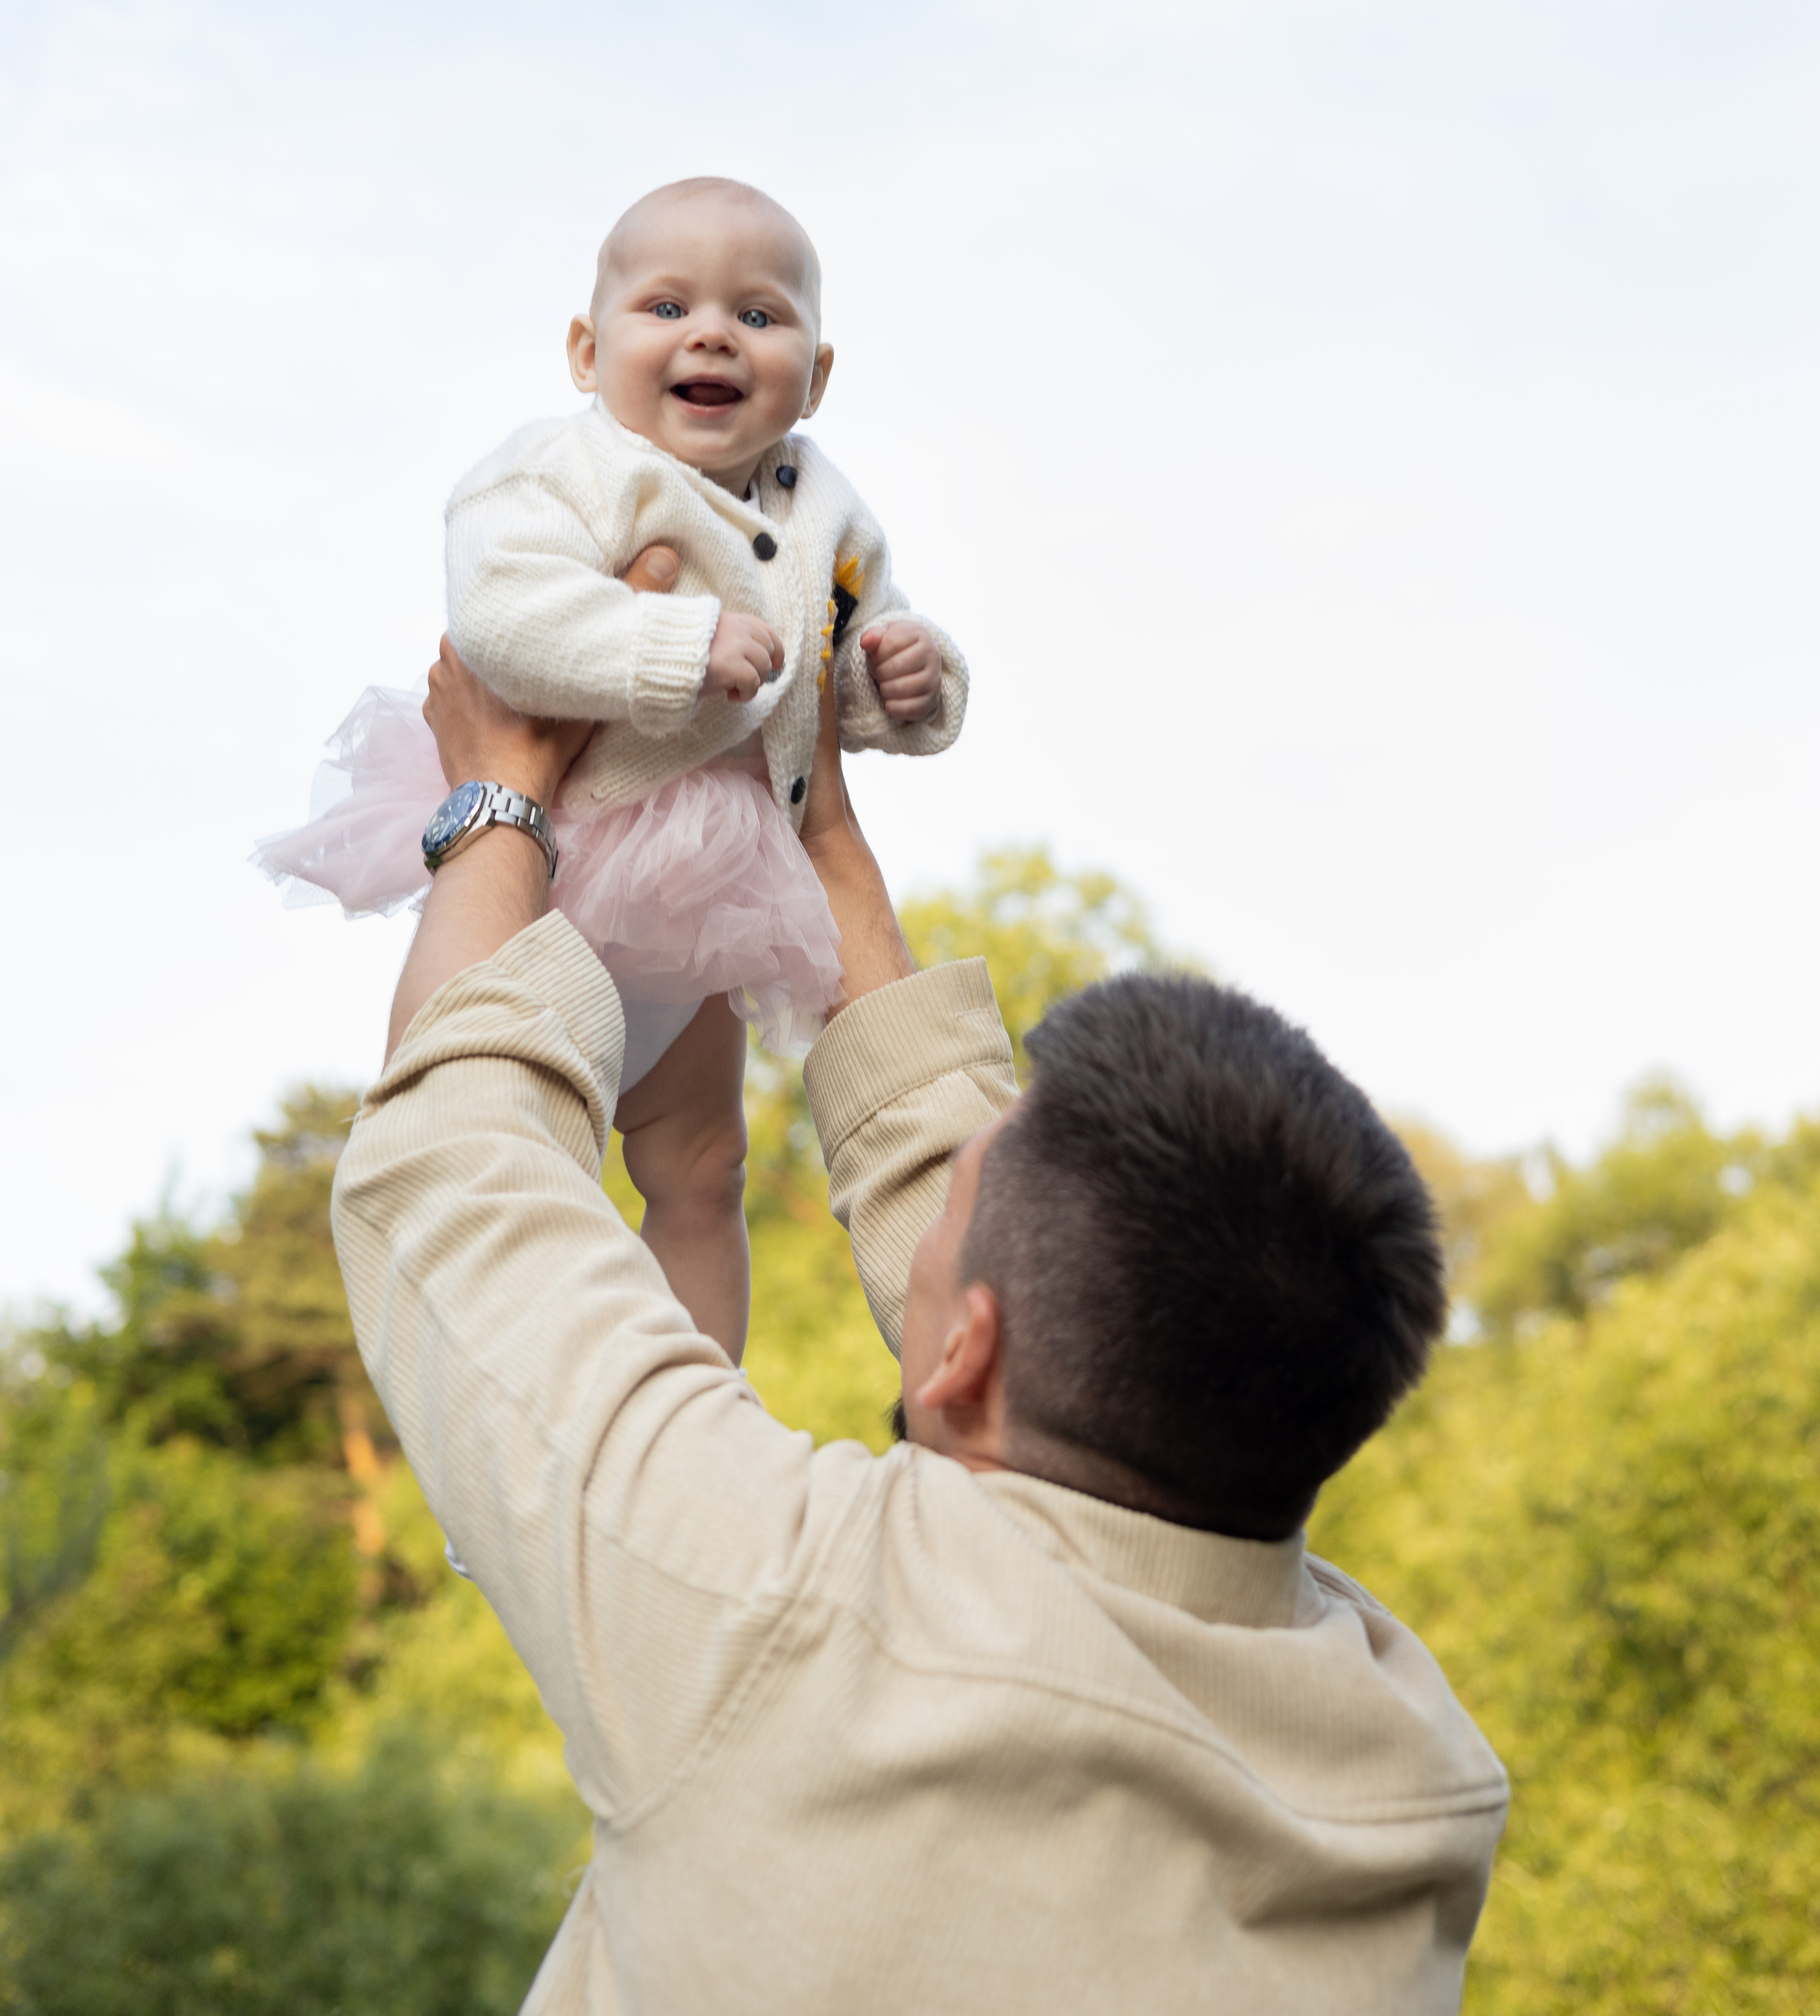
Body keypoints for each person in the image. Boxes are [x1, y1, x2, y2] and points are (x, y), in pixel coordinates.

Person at [332, 613, 1510, 2016]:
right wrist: (820, 832)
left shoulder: (778, 1617)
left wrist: (496, 804)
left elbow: (456, 1166)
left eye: (956, 1196)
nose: (942, 1176)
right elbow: (1050, 1278)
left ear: (966, 1353)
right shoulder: (1415, 1768)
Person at [260, 175, 965, 1357]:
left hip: (715, 888)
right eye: (667, 307)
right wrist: (671, 643)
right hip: (555, 859)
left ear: (816, 376)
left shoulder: (831, 511)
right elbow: (501, 612)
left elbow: (845, 651)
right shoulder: (562, 471)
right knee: (498, 1139)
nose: (712, 335)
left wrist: (906, 679)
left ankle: (706, 1396)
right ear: (588, 352)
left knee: (705, 1164)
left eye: (758, 314)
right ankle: (488, 1384)